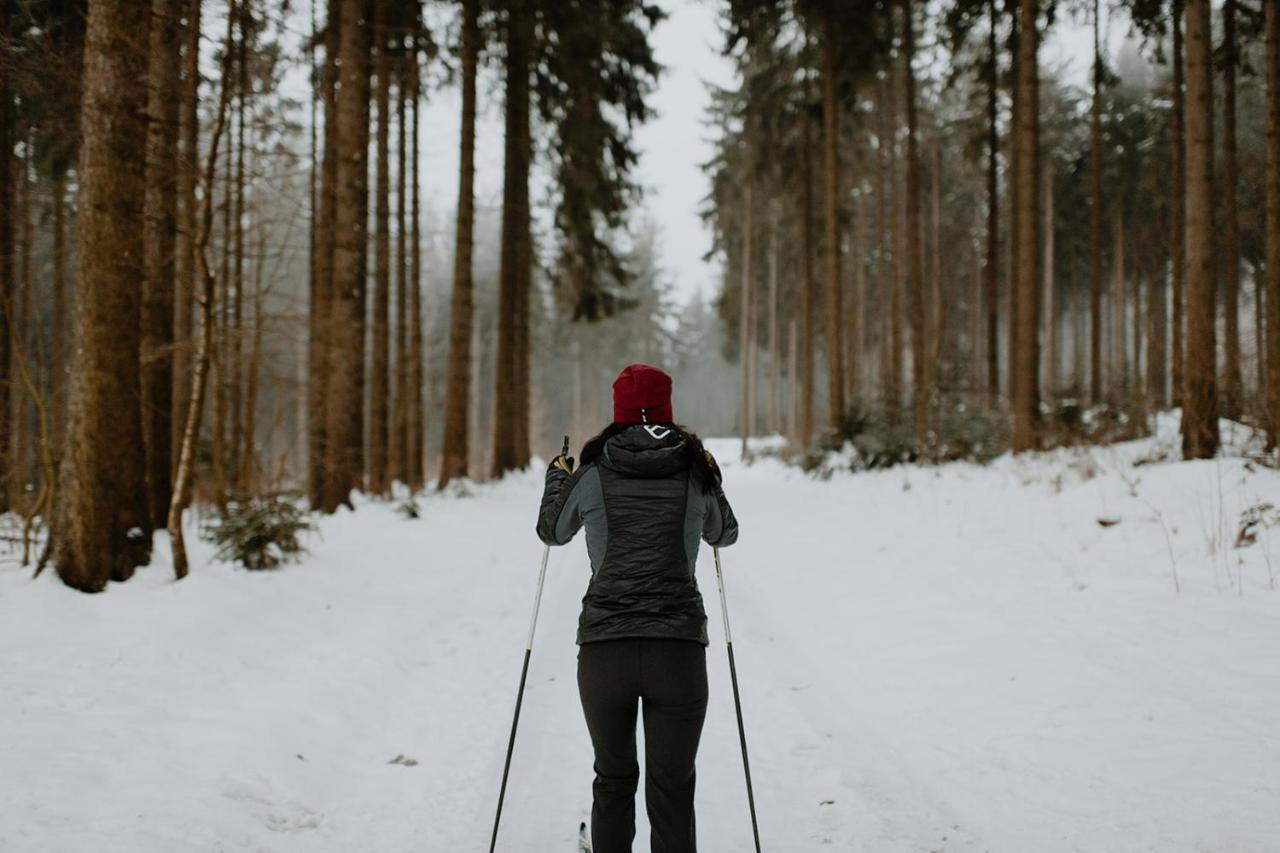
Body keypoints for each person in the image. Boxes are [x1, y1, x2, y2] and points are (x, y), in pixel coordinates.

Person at [536, 363, 739, 853]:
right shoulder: (692, 468)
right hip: (679, 652)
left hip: (607, 652)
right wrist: (712, 476)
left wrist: (556, 479)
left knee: (613, 778)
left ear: (618, 410)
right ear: (667, 410)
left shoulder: (592, 470)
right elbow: (723, 533)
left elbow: (553, 532)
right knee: (671, 789)